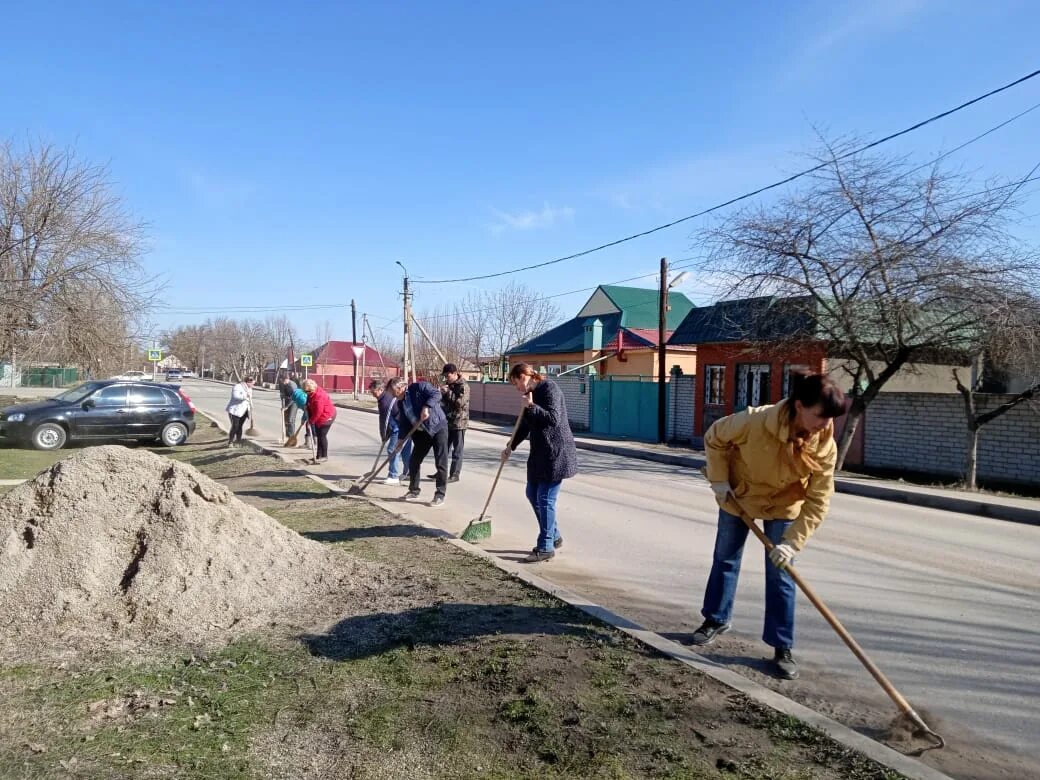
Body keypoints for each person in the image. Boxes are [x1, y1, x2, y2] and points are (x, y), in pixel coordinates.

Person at [689, 370, 846, 681]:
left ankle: (781, 645)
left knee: (782, 574)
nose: (826, 425)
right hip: (740, 497)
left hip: (784, 506)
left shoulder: (824, 444)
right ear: (799, 405)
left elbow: (819, 498)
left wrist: (792, 543)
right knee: (725, 559)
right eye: (821, 416)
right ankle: (715, 619)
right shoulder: (754, 421)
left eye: (830, 419)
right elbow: (714, 437)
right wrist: (720, 481)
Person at [501, 363, 578, 563]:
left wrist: (532, 406)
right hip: (539, 454)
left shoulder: (549, 389)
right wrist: (511, 445)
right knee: (531, 493)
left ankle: (546, 547)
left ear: (526, 375)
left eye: (517, 382)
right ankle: (554, 535)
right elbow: (525, 426)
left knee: (545, 498)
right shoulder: (529, 396)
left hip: (556, 453)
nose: (517, 388)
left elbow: (553, 419)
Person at [387, 376, 448, 507]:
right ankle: (413, 491)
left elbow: (436, 394)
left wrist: (426, 407)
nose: (392, 395)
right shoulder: (400, 403)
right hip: (421, 433)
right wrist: (401, 441)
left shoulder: (419, 387)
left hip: (437, 427)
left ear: (400, 388)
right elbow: (404, 424)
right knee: (414, 461)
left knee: (440, 462)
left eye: (393, 392)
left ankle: (440, 495)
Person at [428, 363, 469, 483]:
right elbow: (444, 403)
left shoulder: (463, 386)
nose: (446, 378)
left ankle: (454, 474)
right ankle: (441, 472)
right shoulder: (448, 385)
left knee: (457, 450)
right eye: (445, 376)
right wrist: (440, 393)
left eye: (448, 375)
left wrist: (448, 393)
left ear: (455, 373)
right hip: (447, 421)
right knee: (443, 448)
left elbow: (459, 403)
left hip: (459, 422)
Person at [370, 378, 412, 486]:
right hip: (407, 426)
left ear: (380, 390)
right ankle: (409, 473)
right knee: (405, 451)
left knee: (392, 450)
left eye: (373, 392)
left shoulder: (385, 401)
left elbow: (385, 421)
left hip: (398, 428)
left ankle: (393, 476)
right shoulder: (385, 398)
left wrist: (384, 435)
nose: (372, 394)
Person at [302, 378, 336, 463]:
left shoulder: (319, 396)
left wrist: (311, 422)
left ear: (312, 389)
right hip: (319, 416)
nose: (306, 394)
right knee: (318, 434)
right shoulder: (311, 393)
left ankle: (324, 456)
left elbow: (318, 412)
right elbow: (309, 400)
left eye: (308, 392)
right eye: (305, 392)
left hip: (327, 416)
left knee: (322, 435)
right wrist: (306, 405)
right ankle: (318, 456)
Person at [224, 376, 255, 448]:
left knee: (240, 426)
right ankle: (230, 442)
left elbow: (249, 399)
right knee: (235, 426)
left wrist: (251, 405)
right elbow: (235, 396)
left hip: (244, 410)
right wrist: (245, 396)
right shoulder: (237, 387)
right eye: (252, 384)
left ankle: (238, 441)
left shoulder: (250, 389)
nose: (253, 385)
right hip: (235, 410)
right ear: (248, 382)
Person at [279, 373, 299, 439]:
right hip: (287, 402)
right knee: (286, 419)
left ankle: (292, 437)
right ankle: (287, 436)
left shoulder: (292, 385)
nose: (283, 382)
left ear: (287, 379)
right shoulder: (283, 384)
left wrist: (286, 406)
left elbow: (293, 398)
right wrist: (283, 406)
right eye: (281, 381)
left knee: (290, 420)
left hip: (294, 403)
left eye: (283, 381)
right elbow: (282, 395)